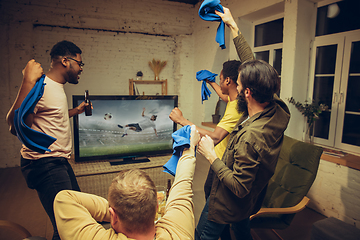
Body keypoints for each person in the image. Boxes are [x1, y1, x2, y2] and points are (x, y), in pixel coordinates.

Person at [169, 7, 254, 239]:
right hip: (224, 164)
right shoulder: (237, 100)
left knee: (212, 211)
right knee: (214, 195)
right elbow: (225, 96)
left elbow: (215, 137)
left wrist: (182, 120)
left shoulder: (236, 108)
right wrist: (211, 82)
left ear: (228, 79)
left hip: (225, 165)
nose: (218, 80)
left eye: (219, 77)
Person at [195, 59, 291, 240]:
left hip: (226, 201)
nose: (235, 88)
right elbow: (252, 63)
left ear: (247, 92)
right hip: (246, 203)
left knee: (201, 236)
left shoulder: (250, 137)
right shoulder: (278, 111)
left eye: (238, 84)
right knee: (241, 233)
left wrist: (210, 156)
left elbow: (239, 187)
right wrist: (236, 32)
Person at [53, 125, 200, 240]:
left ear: (113, 216)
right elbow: (183, 181)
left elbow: (64, 198)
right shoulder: (179, 230)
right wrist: (189, 148)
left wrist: (123, 211)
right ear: (156, 208)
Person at [6, 41, 89, 240]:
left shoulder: (56, 87)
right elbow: (12, 123)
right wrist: (27, 81)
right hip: (44, 163)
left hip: (58, 161)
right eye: (80, 63)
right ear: (65, 61)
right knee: (67, 226)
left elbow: (49, 116)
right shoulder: (40, 85)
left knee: (79, 213)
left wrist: (75, 112)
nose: (81, 69)